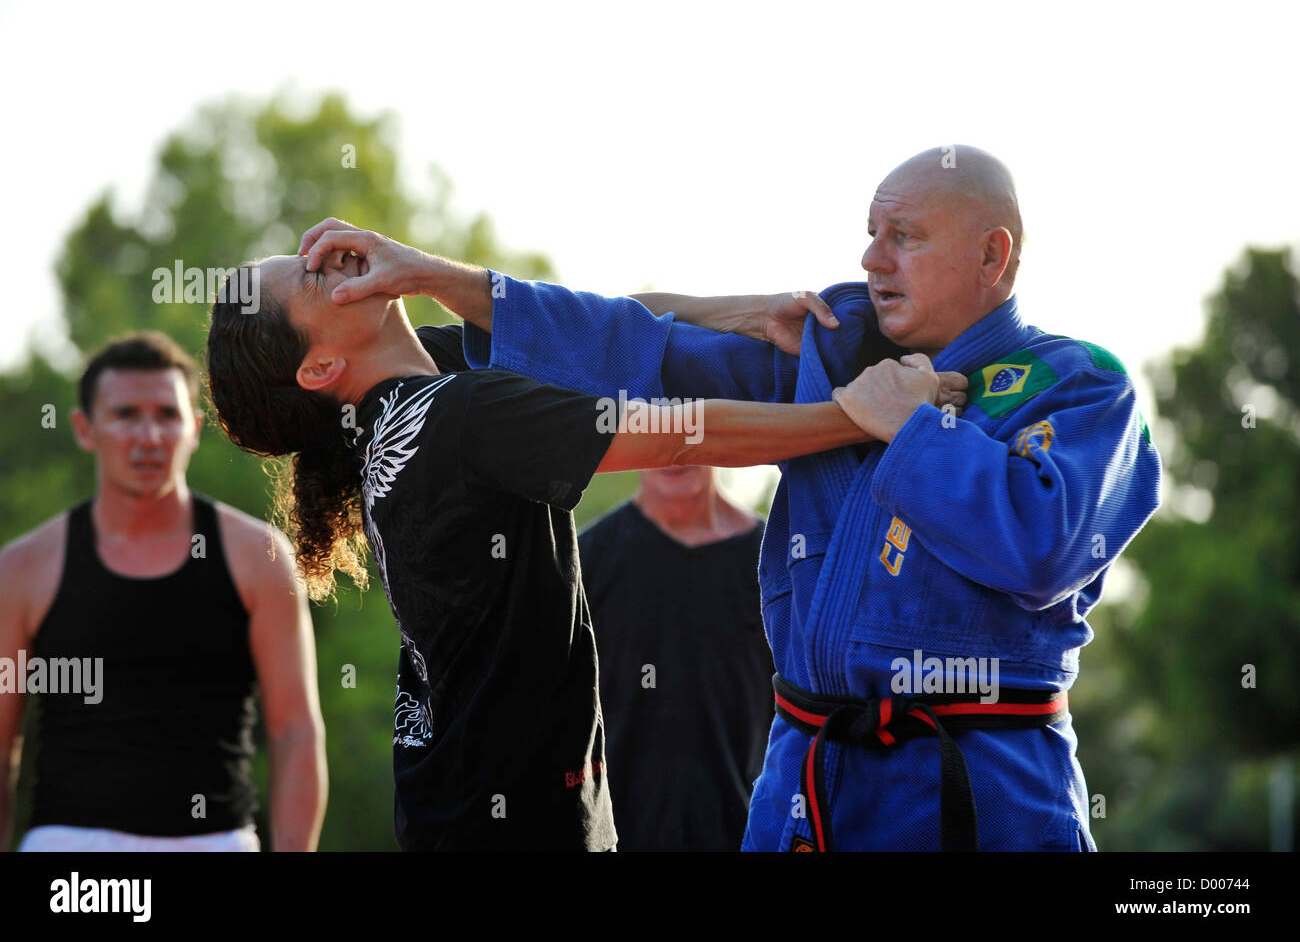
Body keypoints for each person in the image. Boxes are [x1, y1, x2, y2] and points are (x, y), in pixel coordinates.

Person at [300, 143, 1161, 851]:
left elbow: (1042, 547)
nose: (870, 258)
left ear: (992, 254)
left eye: (904, 236)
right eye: (869, 232)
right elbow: (636, 350)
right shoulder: (826, 351)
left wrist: (917, 428)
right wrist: (429, 277)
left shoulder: (1080, 388)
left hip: (978, 791)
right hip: (802, 789)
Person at [203, 245, 964, 851]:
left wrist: (738, 312)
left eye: (309, 251)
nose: (329, 256)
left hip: (458, 809)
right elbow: (679, 436)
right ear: (319, 368)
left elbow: (574, 331)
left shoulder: (418, 389)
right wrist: (858, 415)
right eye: (309, 279)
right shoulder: (460, 414)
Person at [0, 332, 327, 852]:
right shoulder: (22, 569)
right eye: (126, 414)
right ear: (85, 429)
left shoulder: (258, 557)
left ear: (194, 429)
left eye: (167, 415)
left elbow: (294, 729)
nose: (149, 436)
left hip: (214, 840)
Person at [578, 466, 773, 852]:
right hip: (615, 839)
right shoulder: (585, 562)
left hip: (748, 836)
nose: (673, 448)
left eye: (689, 426)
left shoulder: (777, 563)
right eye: (656, 427)